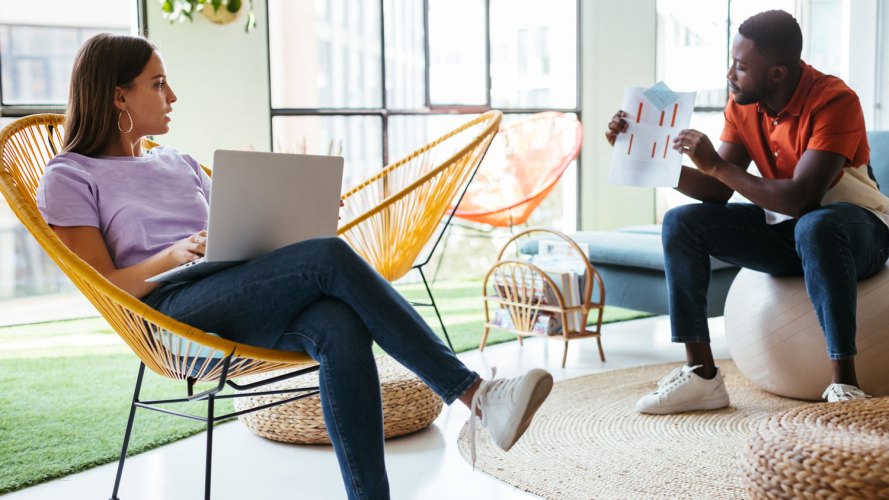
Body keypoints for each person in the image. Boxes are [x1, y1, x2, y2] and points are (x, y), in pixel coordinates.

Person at [36, 33, 553, 500]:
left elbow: (240, 231)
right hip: (171, 310)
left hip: (232, 288)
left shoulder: (179, 162)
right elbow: (102, 284)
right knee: (327, 257)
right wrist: (173, 255)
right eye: (159, 84)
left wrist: (296, 217)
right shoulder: (71, 174)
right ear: (118, 95)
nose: (173, 97)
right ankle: (477, 397)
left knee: (339, 323)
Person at [605, 10, 889, 414]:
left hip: (858, 232)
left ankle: (845, 385)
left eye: (740, 66)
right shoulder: (743, 106)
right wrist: (642, 151)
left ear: (776, 73)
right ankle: (701, 373)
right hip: (790, 233)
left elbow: (801, 198)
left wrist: (717, 164)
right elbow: (718, 192)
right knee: (681, 223)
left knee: (816, 225)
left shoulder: (835, 101)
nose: (729, 75)